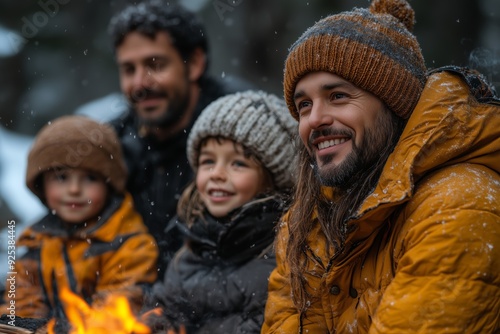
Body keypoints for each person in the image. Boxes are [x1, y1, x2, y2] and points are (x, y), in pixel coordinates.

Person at [262, 0, 500, 332]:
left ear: (393, 104)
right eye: (304, 104)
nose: (314, 119)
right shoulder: (305, 225)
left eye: (338, 96)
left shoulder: (460, 203)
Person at [107, 0, 251, 279]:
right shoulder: (115, 145)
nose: (140, 83)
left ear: (195, 64)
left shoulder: (246, 133)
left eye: (155, 65)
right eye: (128, 70)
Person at [149, 90, 298, 333]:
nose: (217, 174)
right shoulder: (189, 251)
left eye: (238, 163)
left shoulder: (281, 256)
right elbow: (167, 310)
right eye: (208, 161)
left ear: (273, 180)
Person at [0, 115, 158, 319]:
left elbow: (118, 313)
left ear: (109, 186)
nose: (74, 190)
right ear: (42, 184)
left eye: (90, 178)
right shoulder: (35, 244)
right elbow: (20, 309)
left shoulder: (130, 245)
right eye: (62, 177)